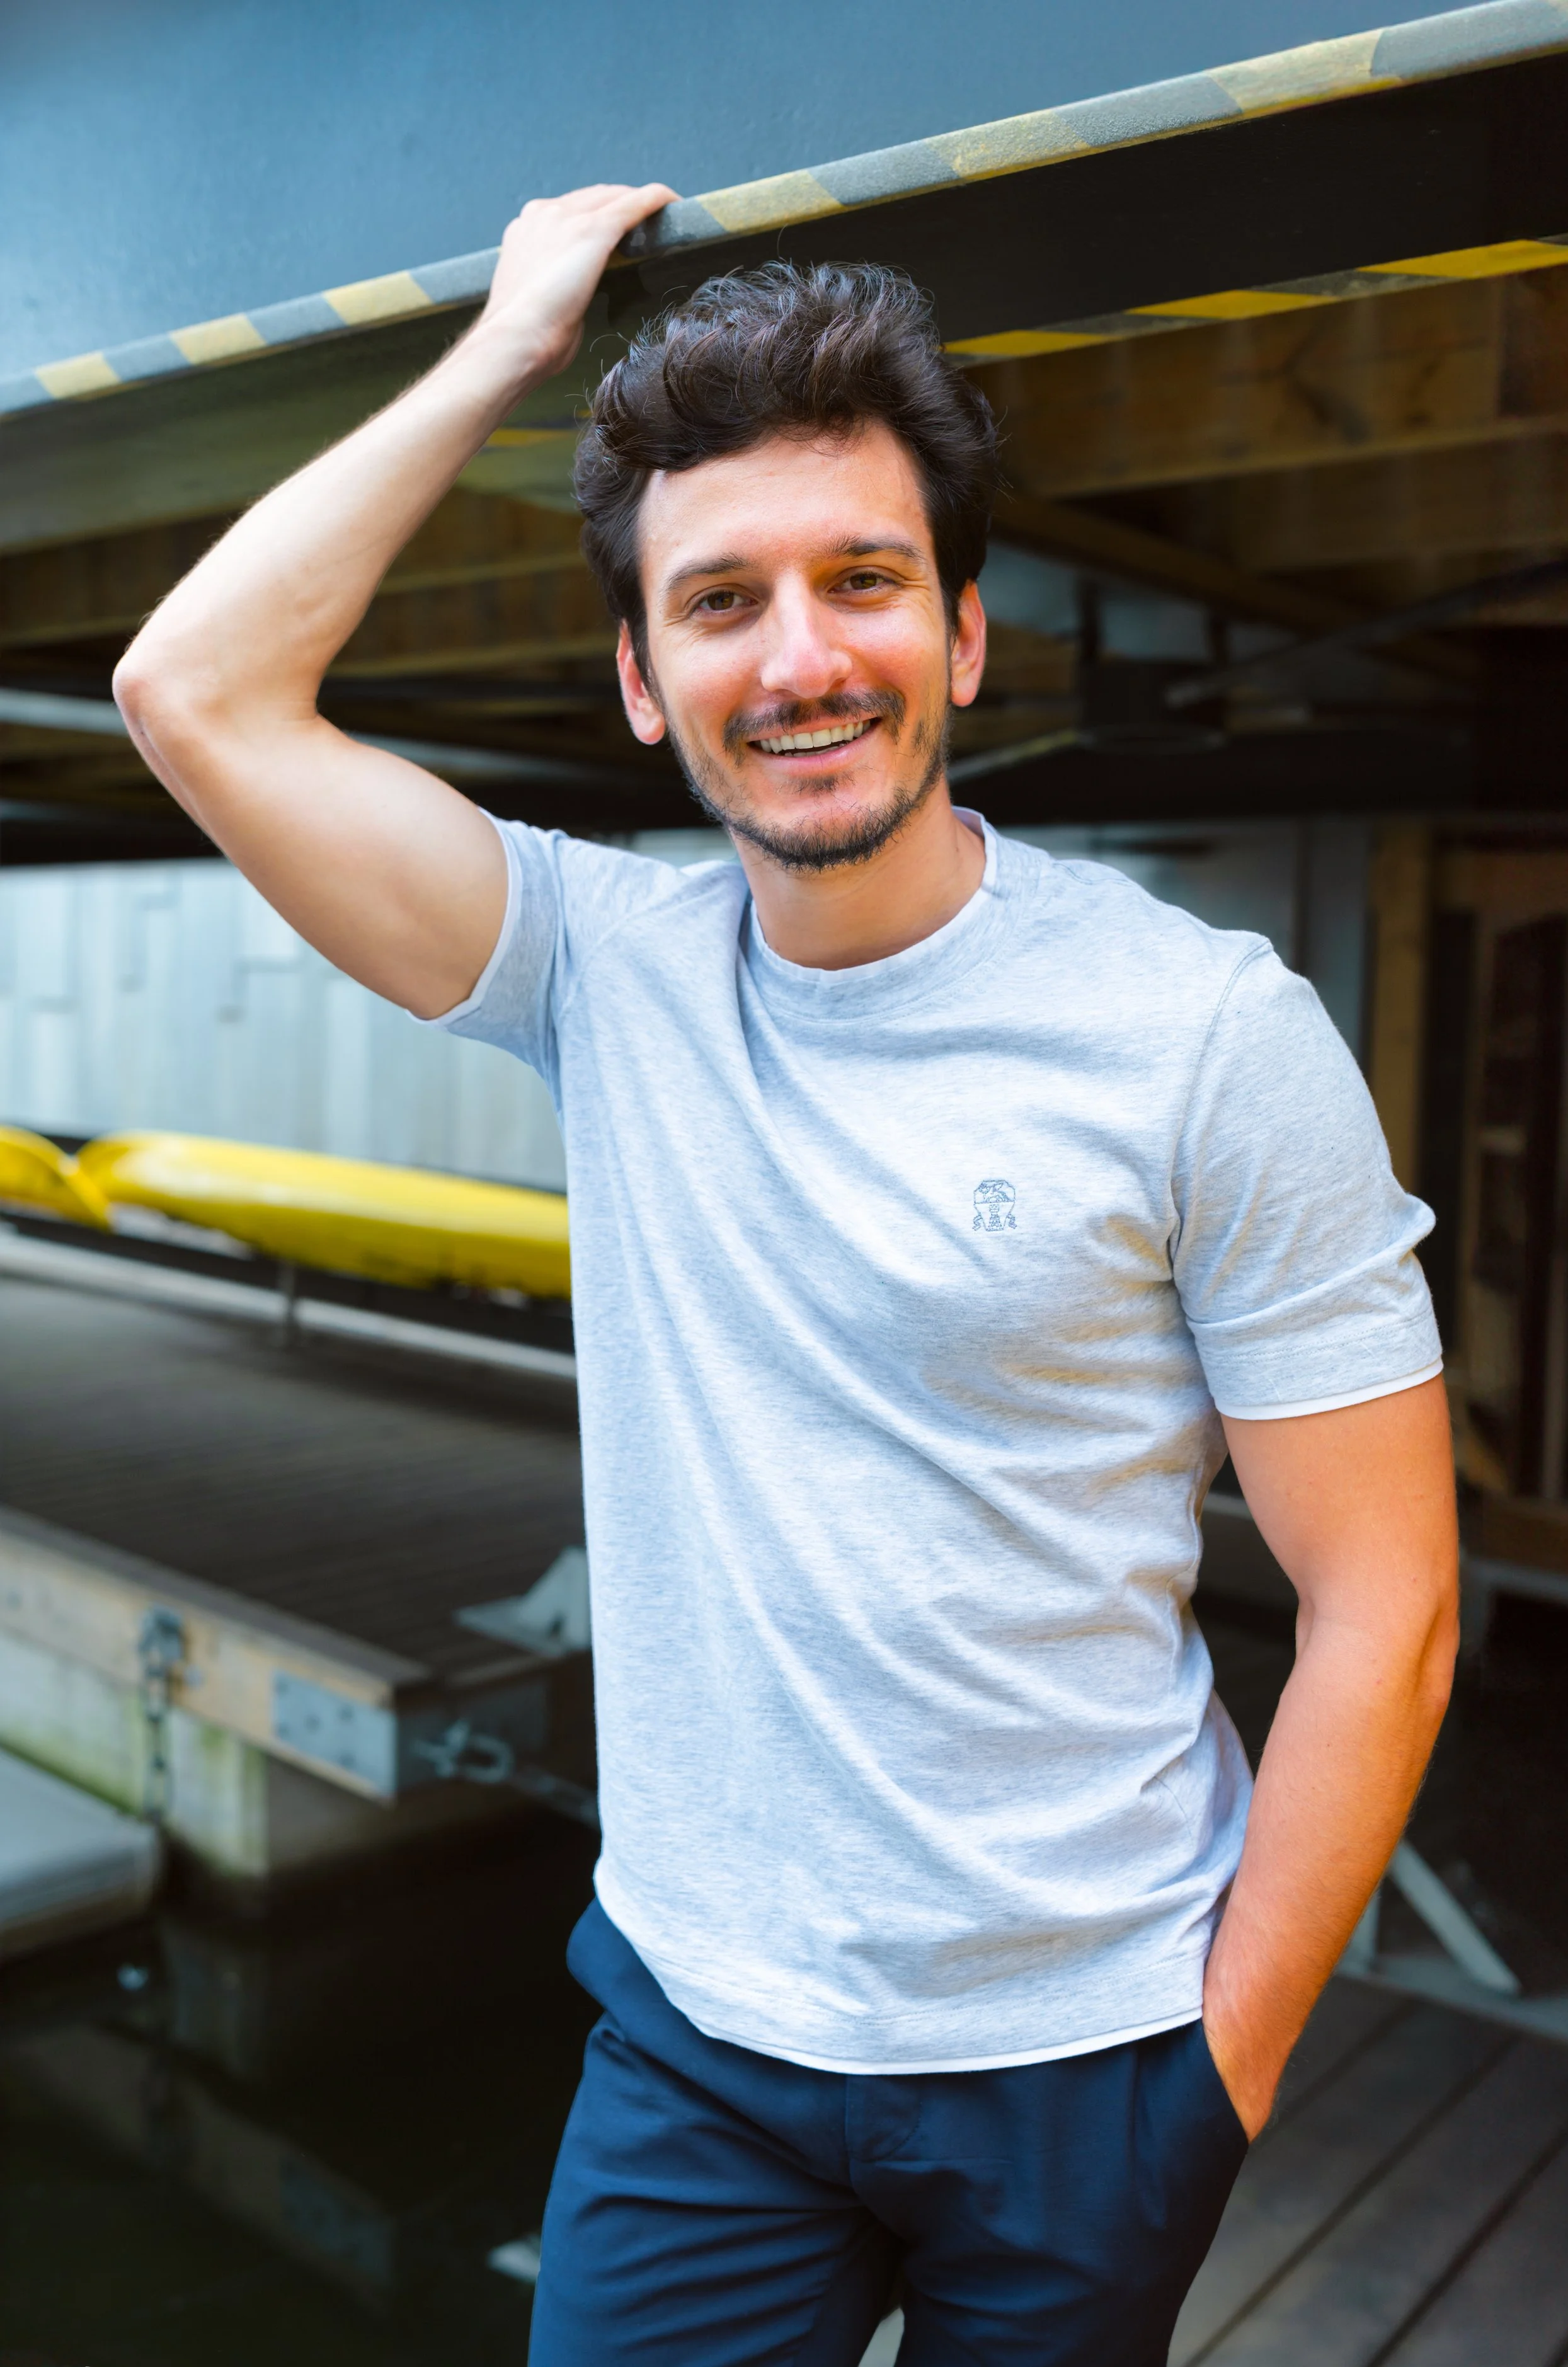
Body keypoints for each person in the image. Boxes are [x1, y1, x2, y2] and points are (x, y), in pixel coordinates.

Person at [115, 184, 1459, 2365]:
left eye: (862, 580)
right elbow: (193, 692)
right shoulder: (600, 969)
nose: (801, 655)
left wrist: (1222, 2070)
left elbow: (1383, 1601)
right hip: (699, 2047)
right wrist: (502, 354)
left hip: (1087, 2058)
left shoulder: (1201, 1030)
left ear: (962, 633)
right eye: (720, 601)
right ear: (644, 683)